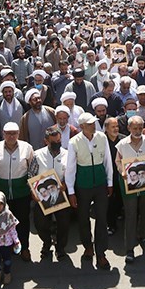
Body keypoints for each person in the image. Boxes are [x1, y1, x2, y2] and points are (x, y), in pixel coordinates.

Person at [65, 111, 113, 270]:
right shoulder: (74, 142)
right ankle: (88, 246)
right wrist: (71, 191)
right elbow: (70, 168)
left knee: (101, 218)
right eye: (90, 124)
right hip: (83, 185)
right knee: (83, 217)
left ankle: (101, 253)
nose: (93, 126)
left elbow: (107, 161)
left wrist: (110, 181)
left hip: (100, 184)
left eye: (94, 123)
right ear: (82, 126)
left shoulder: (102, 137)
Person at [0, 122, 34, 261]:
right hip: (2, 194)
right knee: (2, 223)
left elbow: (33, 169)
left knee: (22, 221)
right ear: (3, 134)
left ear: (18, 134)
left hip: (22, 193)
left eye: (14, 133)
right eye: (8, 133)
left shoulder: (27, 148)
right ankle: (6, 249)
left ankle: (24, 248)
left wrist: (33, 189)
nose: (12, 136)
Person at [115, 115, 145, 262]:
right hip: (129, 183)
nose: (137, 131)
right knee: (131, 214)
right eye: (134, 128)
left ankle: (144, 236)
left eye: (140, 128)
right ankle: (130, 248)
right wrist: (122, 172)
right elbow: (118, 161)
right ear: (128, 128)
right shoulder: (122, 144)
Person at [28, 126, 70, 259]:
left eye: (59, 141)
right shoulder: (37, 154)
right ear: (46, 141)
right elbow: (30, 174)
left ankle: (60, 247)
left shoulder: (67, 154)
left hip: (60, 195)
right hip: (42, 197)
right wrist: (32, 192)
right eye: (54, 142)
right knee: (40, 223)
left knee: (64, 223)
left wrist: (66, 184)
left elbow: (71, 174)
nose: (57, 144)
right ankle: (46, 242)